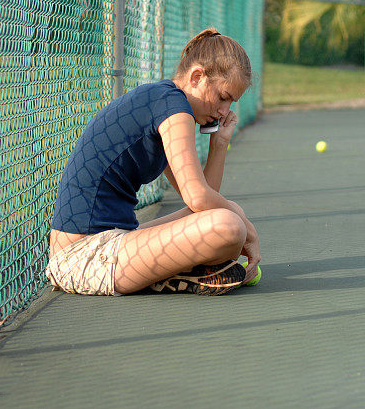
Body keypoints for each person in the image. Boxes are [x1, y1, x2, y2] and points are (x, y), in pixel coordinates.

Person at [46, 28, 260, 296]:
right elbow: (198, 198)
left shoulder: (164, 102)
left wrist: (219, 144)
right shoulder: (174, 109)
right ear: (197, 77)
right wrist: (249, 230)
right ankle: (179, 273)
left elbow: (202, 200)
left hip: (117, 242)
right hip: (84, 257)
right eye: (223, 97)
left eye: (231, 103)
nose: (224, 111)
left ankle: (179, 272)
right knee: (230, 226)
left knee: (229, 216)